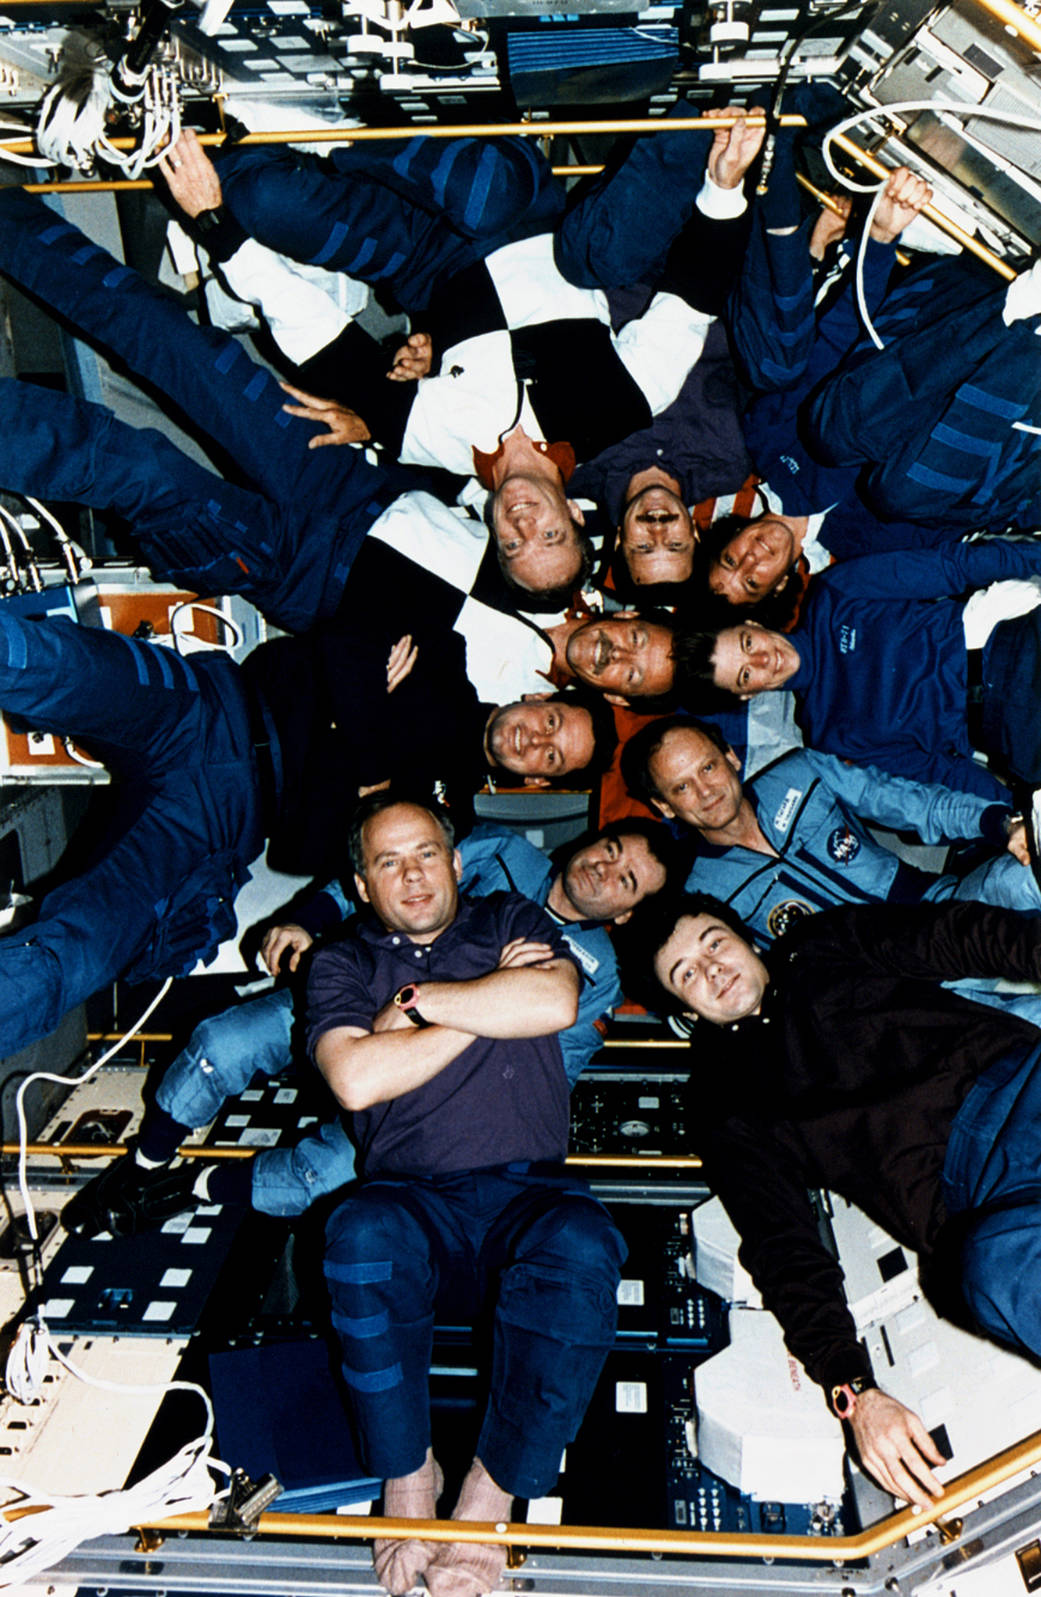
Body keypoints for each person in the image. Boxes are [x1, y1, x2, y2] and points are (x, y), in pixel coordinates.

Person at [0, 184, 657, 705]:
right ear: (634, 619)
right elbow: (482, 472)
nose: (619, 654)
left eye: (630, 675)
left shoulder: (517, 709)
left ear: (619, 702)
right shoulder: (572, 550)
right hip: (347, 481)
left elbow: (382, 727)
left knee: (132, 465)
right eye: (637, 641)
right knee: (174, 344)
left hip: (299, 574)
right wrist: (390, 417)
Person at [157, 113, 763, 601]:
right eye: (549, 535)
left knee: (259, 198)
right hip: (525, 214)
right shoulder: (623, 405)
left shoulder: (434, 445)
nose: (525, 525)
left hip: (418, 256)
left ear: (493, 538)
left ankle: (300, 130)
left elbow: (320, 341)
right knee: (484, 196)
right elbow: (693, 296)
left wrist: (215, 225)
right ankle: (358, 129)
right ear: (577, 522)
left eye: (513, 545)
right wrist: (724, 184)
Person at [625, 890, 1041, 1508]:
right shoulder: (726, 1102)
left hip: (1021, 1080)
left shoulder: (823, 945)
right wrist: (855, 1393)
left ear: (745, 938)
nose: (711, 969)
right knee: (991, 1274)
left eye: (714, 942)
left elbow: (961, 933)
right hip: (979, 1200)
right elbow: (783, 1248)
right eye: (686, 974)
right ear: (682, 1010)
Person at [306, 796, 626, 1596]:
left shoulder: (507, 914)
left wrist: (415, 1010)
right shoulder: (339, 963)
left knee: (586, 1242)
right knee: (355, 1229)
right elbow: (355, 1075)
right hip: (411, 1203)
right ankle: (408, 1476)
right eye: (388, 862)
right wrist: (488, 1006)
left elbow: (551, 1003)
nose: (411, 874)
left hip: (530, 1198)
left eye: (424, 853)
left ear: (455, 862)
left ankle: (489, 1493)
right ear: (361, 884)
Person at [61, 818, 673, 1233]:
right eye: (611, 850)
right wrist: (304, 921)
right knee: (224, 1043)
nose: (602, 870)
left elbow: (545, 1074)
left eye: (626, 880)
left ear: (630, 911)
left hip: (442, 1075)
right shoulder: (502, 851)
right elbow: (373, 876)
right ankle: (144, 1163)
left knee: (318, 1177)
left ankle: (190, 1189)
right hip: (359, 991)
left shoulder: (603, 983)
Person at [622, 715, 1041, 1018]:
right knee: (1026, 1028)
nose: (705, 791)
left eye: (708, 767)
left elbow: (912, 804)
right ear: (664, 806)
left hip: (945, 910)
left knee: (1024, 874)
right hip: (897, 997)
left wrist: (1003, 825)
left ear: (730, 756)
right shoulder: (698, 899)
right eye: (681, 787)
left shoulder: (801, 774)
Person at [675, 539, 1041, 801]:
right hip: (1004, 732)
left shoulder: (836, 594)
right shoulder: (828, 734)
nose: (762, 661)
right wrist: (1015, 810)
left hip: (1003, 646)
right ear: (747, 694)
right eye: (745, 674)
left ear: (753, 624)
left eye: (747, 645)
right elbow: (938, 772)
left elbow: (954, 567)